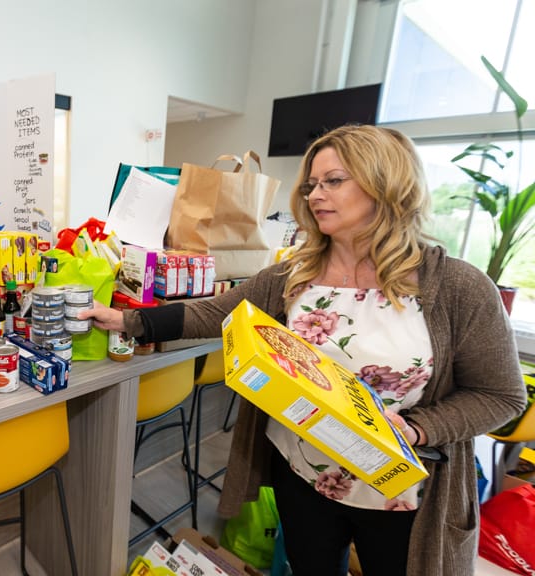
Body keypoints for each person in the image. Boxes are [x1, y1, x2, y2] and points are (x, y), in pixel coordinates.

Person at [78, 124, 526, 576]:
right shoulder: (295, 274)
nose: (315, 195)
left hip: (400, 495)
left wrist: (416, 429)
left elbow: (501, 396)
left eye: (333, 181)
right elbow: (215, 312)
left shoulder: (458, 287)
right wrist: (126, 320)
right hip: (302, 475)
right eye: (312, 184)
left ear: (385, 183)